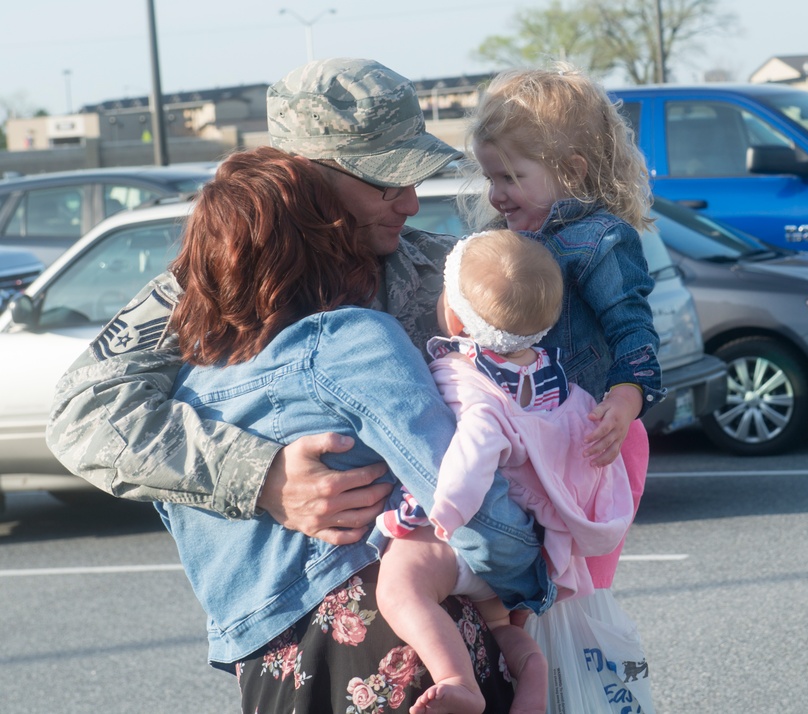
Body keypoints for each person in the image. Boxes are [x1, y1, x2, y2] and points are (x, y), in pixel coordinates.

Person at [45, 58, 557, 713]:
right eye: (383, 178)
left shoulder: (443, 271)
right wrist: (260, 475)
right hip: (313, 633)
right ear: (303, 176)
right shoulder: (215, 282)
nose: (408, 199)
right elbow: (84, 413)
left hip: (442, 615)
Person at [160, 145, 551, 713]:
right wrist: (532, 575)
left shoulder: (185, 392)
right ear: (322, 237)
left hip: (270, 667)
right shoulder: (350, 339)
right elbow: (464, 496)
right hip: (391, 640)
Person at [375, 229, 635, 714]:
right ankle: (531, 676)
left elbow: (471, 453)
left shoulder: (467, 380)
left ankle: (458, 680)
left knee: (400, 585)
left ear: (453, 315)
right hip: (530, 547)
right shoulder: (564, 387)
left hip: (467, 536)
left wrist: (442, 511)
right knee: (503, 627)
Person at [463, 63, 663, 471]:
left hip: (575, 428)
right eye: (490, 178)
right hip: (513, 427)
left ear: (571, 171)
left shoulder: (599, 240)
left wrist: (626, 396)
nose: (496, 194)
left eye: (511, 177)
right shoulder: (496, 240)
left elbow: (632, 329)